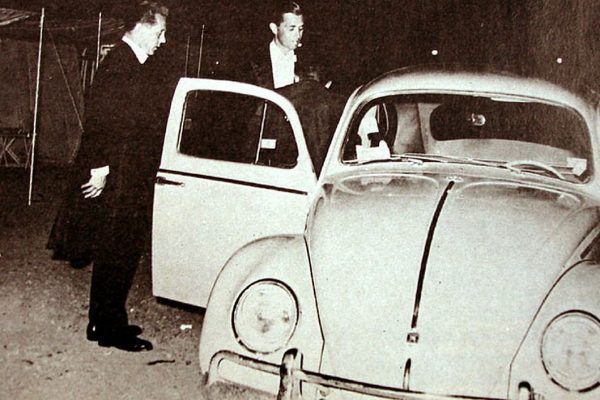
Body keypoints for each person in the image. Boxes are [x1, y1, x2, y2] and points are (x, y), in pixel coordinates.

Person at [47, 1, 169, 352]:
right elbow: (99, 119)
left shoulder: (134, 63)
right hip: (117, 176)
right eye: (159, 32)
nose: (162, 40)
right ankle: (106, 327)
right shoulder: (120, 64)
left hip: (128, 174)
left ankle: (106, 320)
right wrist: (100, 169)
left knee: (122, 249)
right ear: (142, 26)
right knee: (116, 250)